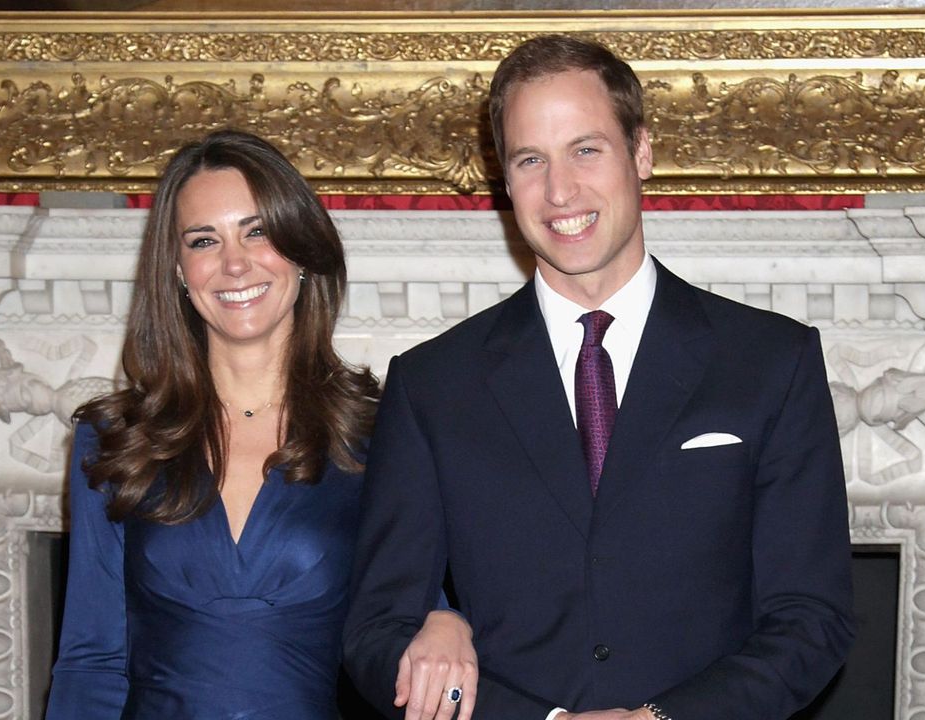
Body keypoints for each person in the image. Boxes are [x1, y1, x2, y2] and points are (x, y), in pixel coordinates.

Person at [343, 35, 855, 720]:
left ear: (641, 151)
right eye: (531, 160)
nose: (560, 191)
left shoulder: (770, 363)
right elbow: (376, 636)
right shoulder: (433, 385)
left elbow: (812, 620)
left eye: (586, 149)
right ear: (504, 178)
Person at [46, 130, 477, 720]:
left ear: (300, 249)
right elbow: (91, 660)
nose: (234, 262)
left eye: (257, 230)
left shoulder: (381, 434)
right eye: (204, 240)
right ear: (177, 269)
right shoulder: (115, 440)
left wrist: (448, 620)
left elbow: (422, 609)